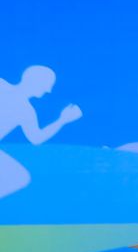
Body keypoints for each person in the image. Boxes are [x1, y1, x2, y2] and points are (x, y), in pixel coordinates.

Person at [0, 66, 81, 200]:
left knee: (19, 177)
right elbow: (37, 138)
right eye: (47, 85)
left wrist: (62, 120)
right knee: (18, 177)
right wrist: (62, 120)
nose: (48, 90)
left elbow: (36, 139)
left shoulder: (27, 111)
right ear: (34, 81)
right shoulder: (5, 89)